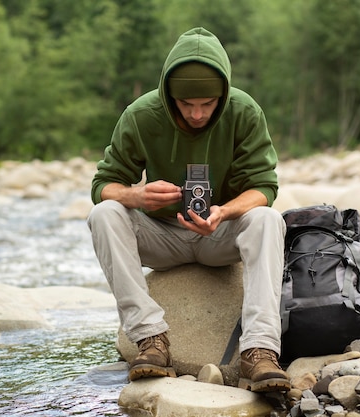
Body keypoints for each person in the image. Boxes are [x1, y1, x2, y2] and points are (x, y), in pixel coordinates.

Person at [87, 27, 291, 393]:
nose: (197, 114)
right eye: (186, 104)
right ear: (169, 96)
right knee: (104, 214)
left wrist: (224, 212)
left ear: (223, 95)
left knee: (267, 219)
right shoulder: (141, 115)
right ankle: (150, 340)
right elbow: (103, 186)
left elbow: (264, 187)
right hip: (160, 237)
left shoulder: (244, 112)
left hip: (219, 237)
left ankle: (259, 350)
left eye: (207, 104)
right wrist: (137, 196)